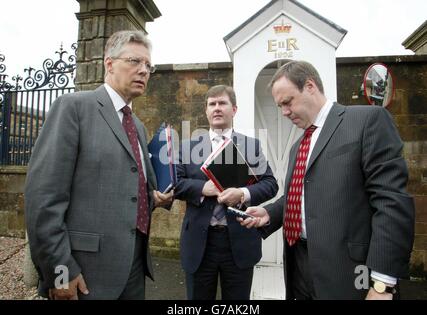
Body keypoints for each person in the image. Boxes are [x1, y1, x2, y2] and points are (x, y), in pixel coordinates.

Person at [240, 60, 415, 300]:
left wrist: (382, 284)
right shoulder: (297, 146)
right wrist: (270, 213)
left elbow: (391, 203)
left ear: (310, 86)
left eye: (287, 102)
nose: (284, 112)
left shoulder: (367, 121)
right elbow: (300, 196)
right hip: (297, 264)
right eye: (279, 106)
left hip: (348, 272)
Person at [24, 30, 173, 300]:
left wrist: (152, 198)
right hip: (84, 274)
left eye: (148, 65)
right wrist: (59, 272)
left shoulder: (137, 125)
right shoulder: (73, 108)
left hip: (134, 267)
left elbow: (126, 190)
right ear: (109, 63)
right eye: (134, 61)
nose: (144, 71)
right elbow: (43, 198)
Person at [174, 85, 278, 300]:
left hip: (239, 242)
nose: (217, 108)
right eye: (212, 104)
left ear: (234, 109)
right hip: (200, 244)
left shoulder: (251, 146)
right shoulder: (187, 147)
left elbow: (270, 184)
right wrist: (203, 188)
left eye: (222, 103)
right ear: (206, 110)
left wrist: (241, 193)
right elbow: (175, 184)